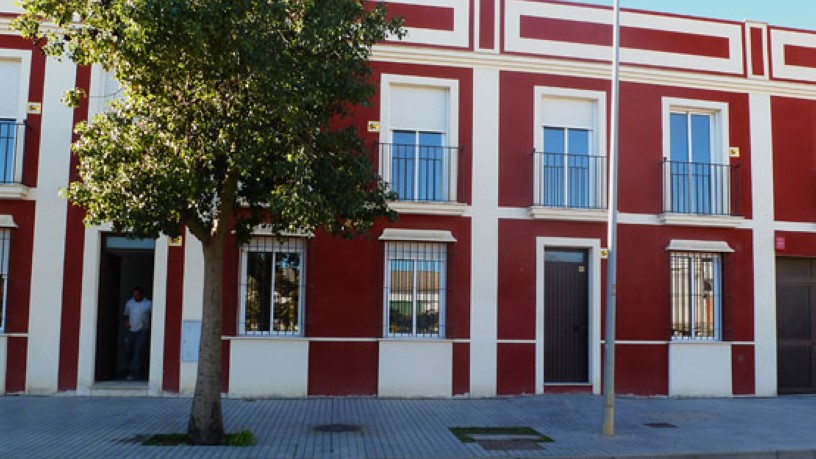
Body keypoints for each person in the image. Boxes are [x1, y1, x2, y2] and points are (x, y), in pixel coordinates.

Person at [123, 286, 152, 381]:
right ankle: (131, 369)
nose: (136, 296)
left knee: (138, 350)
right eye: (134, 295)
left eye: (138, 295)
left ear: (142, 295)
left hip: (142, 330)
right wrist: (126, 322)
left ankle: (135, 372)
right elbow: (126, 315)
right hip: (131, 330)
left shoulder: (148, 304)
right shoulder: (129, 303)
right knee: (128, 350)